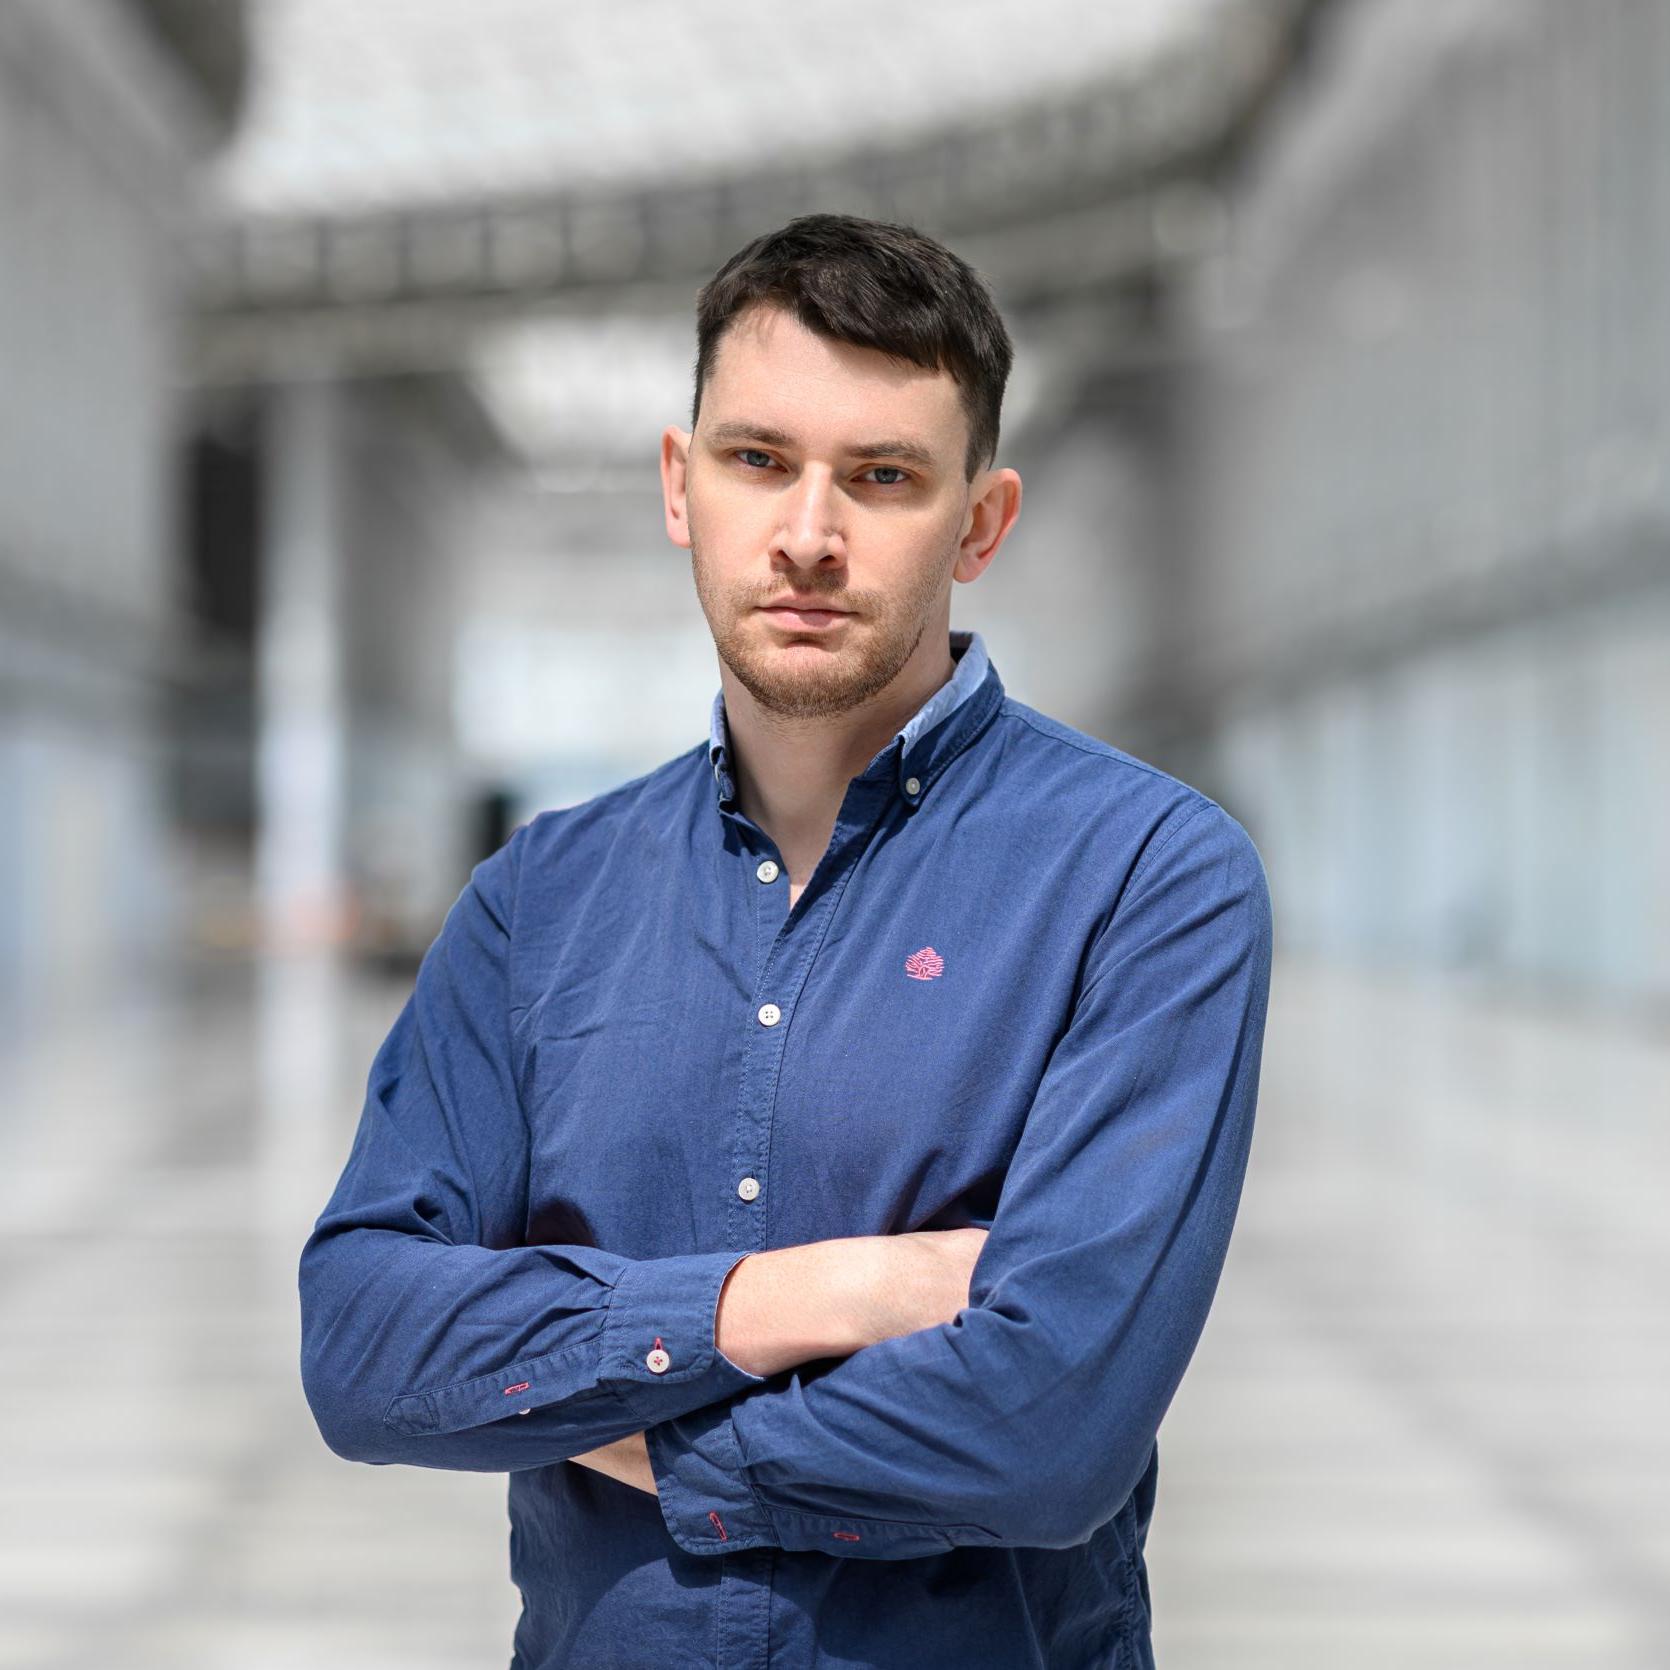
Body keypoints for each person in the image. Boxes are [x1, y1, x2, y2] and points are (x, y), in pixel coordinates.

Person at [298, 211, 1274, 1670]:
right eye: (759, 460)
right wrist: (811, 1298)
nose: (809, 536)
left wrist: (615, 1417)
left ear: (981, 522)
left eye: (882, 477)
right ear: (678, 484)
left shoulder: (1145, 876)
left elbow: (1048, 1428)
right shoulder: (538, 900)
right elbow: (362, 1343)